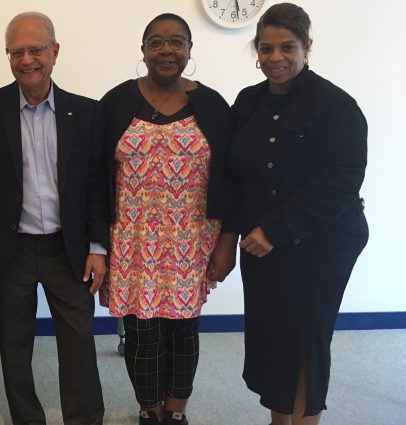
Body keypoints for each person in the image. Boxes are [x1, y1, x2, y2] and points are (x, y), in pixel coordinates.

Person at [222, 3, 369, 425]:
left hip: (322, 243)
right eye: (265, 49)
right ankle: (279, 420)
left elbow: (341, 180)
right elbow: (235, 174)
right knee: (273, 338)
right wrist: (234, 237)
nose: (274, 58)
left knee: (305, 340)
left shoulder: (335, 105)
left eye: (286, 47)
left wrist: (275, 229)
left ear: (307, 46)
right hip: (261, 245)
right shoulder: (248, 101)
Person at [0, 11, 108, 425]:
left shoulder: (86, 113)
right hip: (12, 250)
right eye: (17, 52)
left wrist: (98, 248)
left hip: (69, 249)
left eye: (35, 50)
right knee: (14, 349)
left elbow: (98, 186)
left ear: (54, 52)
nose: (26, 59)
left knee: (79, 346)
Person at [98, 13, 236, 425]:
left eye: (176, 42)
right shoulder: (116, 102)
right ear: (143, 51)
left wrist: (228, 240)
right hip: (132, 239)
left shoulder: (211, 105)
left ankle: (176, 411)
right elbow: (94, 175)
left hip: (191, 240)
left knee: (183, 329)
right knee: (141, 333)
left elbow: (232, 177)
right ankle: (150, 409)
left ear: (190, 50)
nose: (166, 50)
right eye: (156, 42)